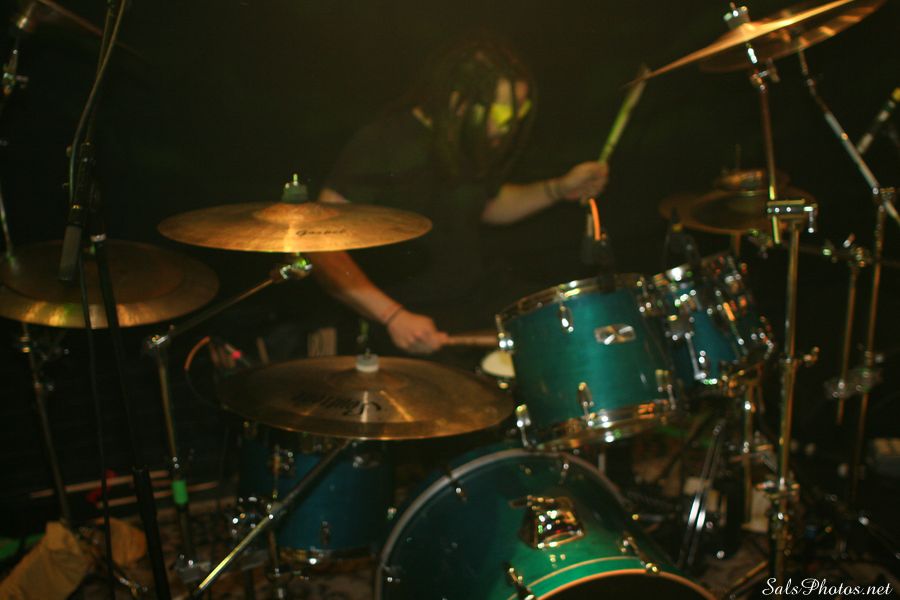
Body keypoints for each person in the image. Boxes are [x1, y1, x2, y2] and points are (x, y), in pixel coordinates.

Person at [308, 35, 609, 356]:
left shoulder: (464, 141)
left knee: (580, 317)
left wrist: (559, 188)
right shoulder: (383, 143)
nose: (509, 126)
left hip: (475, 296)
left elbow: (488, 206)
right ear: (459, 100)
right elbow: (318, 243)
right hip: (411, 313)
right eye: (503, 113)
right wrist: (392, 315)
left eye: (520, 113)